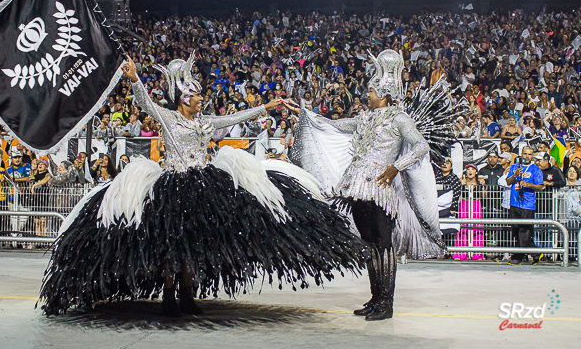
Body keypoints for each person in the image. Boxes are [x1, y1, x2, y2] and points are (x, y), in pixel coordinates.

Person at [40, 54, 366, 317]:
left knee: (192, 246)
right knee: (172, 245)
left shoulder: (205, 122)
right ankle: (169, 295)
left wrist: (264, 108)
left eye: (198, 93)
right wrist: (136, 79)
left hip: (201, 185)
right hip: (170, 187)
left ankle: (187, 295)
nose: (199, 97)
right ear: (181, 98)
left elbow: (233, 119)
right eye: (193, 94)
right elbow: (145, 105)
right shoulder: (168, 118)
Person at [285, 50, 447, 321]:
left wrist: (397, 166)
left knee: (384, 245)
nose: (367, 96)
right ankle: (376, 298)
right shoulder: (363, 119)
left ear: (382, 94)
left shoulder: (399, 118)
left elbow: (421, 146)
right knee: (370, 244)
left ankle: (387, 303)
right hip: (357, 188)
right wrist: (303, 113)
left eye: (370, 92)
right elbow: (333, 125)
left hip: (381, 191)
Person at [505, 146, 544, 265]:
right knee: (516, 231)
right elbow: (508, 182)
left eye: (530, 154)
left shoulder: (536, 169)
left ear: (532, 156)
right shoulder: (514, 167)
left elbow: (540, 186)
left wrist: (528, 184)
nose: (527, 157)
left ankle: (517, 257)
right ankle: (536, 253)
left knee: (525, 231)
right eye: (525, 154)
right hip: (514, 202)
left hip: (528, 204)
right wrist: (515, 175)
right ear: (521, 154)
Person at [453, 165, 485, 261]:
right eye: (468, 169)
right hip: (464, 202)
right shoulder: (461, 181)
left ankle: (478, 254)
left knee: (477, 227)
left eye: (473, 169)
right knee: (463, 226)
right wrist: (460, 185)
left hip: (476, 203)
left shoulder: (479, 182)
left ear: (476, 172)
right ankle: (460, 254)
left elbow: (485, 196)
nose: (470, 171)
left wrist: (483, 186)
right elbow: (455, 193)